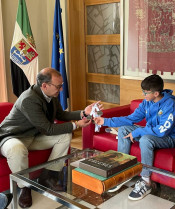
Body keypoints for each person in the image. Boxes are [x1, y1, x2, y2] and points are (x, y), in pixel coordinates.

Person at [0, 67, 101, 208]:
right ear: (44, 85)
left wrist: (83, 112)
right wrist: (76, 125)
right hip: (12, 137)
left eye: (61, 86)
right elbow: (47, 129)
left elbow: (61, 115)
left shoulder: (50, 96)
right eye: (58, 86)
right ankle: (24, 187)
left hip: (33, 136)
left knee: (65, 134)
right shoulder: (28, 99)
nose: (60, 90)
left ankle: (48, 176)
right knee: (17, 149)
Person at [94, 74, 175, 201]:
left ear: (156, 93)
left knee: (145, 139)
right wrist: (106, 121)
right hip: (150, 133)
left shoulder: (170, 105)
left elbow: (162, 131)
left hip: (168, 138)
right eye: (143, 91)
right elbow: (131, 119)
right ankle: (122, 171)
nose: (143, 95)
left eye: (146, 92)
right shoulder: (146, 102)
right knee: (125, 129)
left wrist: (138, 132)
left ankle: (146, 181)